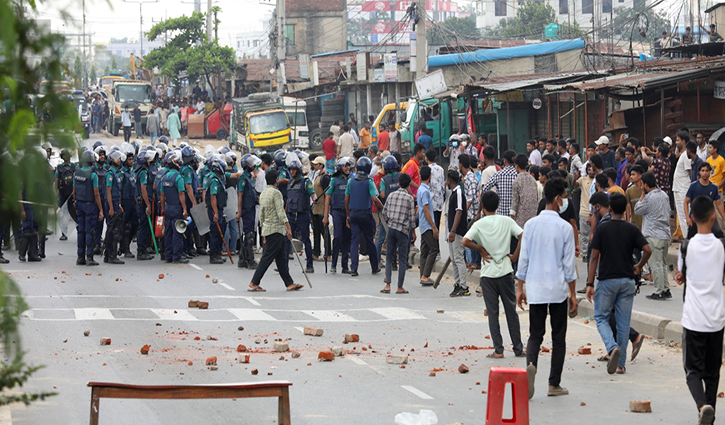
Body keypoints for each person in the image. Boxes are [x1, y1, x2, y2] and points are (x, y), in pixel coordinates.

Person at [516, 178, 577, 398]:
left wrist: (520, 287)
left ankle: (531, 363)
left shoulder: (530, 225)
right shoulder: (565, 227)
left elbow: (524, 259)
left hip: (536, 287)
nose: (566, 200)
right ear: (557, 198)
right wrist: (573, 294)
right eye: (564, 196)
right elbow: (569, 265)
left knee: (535, 334)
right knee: (558, 336)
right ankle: (554, 384)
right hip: (558, 288)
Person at [586, 193, 651, 375]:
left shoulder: (602, 229)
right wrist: (638, 266)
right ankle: (621, 365)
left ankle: (612, 347)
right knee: (623, 323)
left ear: (611, 208)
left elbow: (594, 256)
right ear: (624, 210)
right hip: (627, 280)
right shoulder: (631, 229)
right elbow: (647, 249)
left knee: (600, 317)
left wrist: (590, 283)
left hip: (607, 280)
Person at [675, 196, 725, 425]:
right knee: (712, 373)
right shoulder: (721, 247)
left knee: (693, 371)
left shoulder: (686, 246)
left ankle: (702, 405)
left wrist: (681, 276)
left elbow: (681, 274)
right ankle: (710, 413)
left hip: (694, 319)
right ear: (713, 216)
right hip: (717, 320)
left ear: (692, 218)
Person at [464, 190, 524, 358]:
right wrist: (515, 256)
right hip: (505, 270)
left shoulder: (479, 224)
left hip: (488, 274)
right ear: (498, 205)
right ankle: (518, 348)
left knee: (493, 312)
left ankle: (499, 349)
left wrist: (481, 249)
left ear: (482, 206)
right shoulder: (506, 221)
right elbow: (523, 236)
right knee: (511, 311)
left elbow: (465, 241)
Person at [248, 169, 304, 292]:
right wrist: (288, 228)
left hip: (268, 229)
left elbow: (261, 214)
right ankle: (254, 282)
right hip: (277, 229)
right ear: (276, 180)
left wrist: (263, 231)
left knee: (281, 258)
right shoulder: (276, 193)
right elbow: (281, 212)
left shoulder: (263, 193)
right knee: (267, 257)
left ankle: (289, 283)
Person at [633, 172, 672, 301]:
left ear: (645, 184)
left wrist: (642, 196)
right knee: (663, 263)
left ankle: (659, 290)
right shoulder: (664, 195)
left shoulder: (649, 198)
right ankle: (665, 288)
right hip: (665, 234)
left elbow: (637, 210)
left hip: (653, 234)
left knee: (655, 264)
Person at [345, 156, 382, 277]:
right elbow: (374, 198)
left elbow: (346, 199)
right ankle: (374, 266)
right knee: (369, 241)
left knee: (354, 241)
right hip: (365, 214)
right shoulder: (369, 182)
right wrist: (383, 208)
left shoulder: (351, 181)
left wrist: (348, 215)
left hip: (354, 213)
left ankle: (354, 268)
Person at [382, 173, 415, 294]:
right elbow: (411, 219)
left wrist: (389, 222)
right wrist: (412, 230)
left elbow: (384, 212)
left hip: (391, 228)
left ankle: (388, 285)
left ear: (399, 183)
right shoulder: (410, 198)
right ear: (408, 185)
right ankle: (400, 286)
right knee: (402, 258)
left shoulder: (391, 195)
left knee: (389, 257)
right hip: (403, 231)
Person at [73, 150, 103, 266]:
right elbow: (96, 194)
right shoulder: (93, 174)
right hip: (89, 205)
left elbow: (74, 191)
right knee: (89, 231)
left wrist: (76, 203)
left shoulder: (77, 173)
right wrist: (100, 209)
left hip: (79, 204)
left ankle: (80, 257)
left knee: (81, 231)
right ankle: (89, 257)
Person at [285, 159, 316, 273]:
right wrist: (285, 214)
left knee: (306, 240)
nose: (292, 171)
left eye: (294, 170)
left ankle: (309, 266)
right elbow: (288, 200)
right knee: (286, 240)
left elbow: (312, 193)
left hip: (302, 215)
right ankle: (284, 266)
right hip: (291, 216)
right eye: (291, 169)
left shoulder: (305, 182)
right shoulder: (290, 183)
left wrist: (314, 198)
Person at [160, 151, 189, 264]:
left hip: (168, 208)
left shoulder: (165, 177)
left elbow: (162, 196)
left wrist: (163, 208)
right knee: (177, 233)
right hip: (176, 208)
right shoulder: (178, 178)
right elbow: (181, 194)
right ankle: (177, 256)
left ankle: (168, 256)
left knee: (168, 233)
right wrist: (185, 209)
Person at [324, 158, 352, 274]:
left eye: (348, 166)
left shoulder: (352, 179)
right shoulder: (334, 181)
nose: (347, 168)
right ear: (340, 168)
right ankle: (334, 263)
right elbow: (328, 197)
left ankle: (345, 266)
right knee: (338, 237)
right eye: (345, 166)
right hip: (337, 212)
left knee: (347, 238)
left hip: (349, 213)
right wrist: (325, 216)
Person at [684, 162, 725, 239]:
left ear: (710, 172)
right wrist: (687, 217)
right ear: (699, 172)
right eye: (702, 171)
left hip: (708, 218)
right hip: (695, 218)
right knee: (690, 240)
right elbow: (686, 201)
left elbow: (718, 204)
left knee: (719, 235)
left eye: (707, 171)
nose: (705, 173)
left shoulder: (713, 187)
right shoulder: (693, 186)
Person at [446, 170, 469, 297]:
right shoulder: (454, 193)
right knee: (454, 259)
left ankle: (464, 286)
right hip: (452, 232)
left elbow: (459, 211)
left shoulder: (459, 192)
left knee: (459, 258)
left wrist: (454, 230)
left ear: (450, 180)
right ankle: (458, 283)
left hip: (458, 232)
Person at [236, 154, 259, 269]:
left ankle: (242, 259)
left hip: (252, 208)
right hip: (246, 210)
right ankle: (250, 260)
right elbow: (240, 195)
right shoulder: (243, 178)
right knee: (249, 236)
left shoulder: (250, 177)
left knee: (249, 234)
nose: (253, 166)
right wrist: (239, 212)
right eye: (251, 164)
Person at [417, 166, 438, 286]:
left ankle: (422, 275)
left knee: (424, 250)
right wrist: (434, 226)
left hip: (423, 224)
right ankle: (425, 275)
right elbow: (426, 210)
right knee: (434, 248)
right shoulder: (425, 191)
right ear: (429, 176)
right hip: (427, 224)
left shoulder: (421, 189)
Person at [104, 150, 126, 264]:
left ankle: (108, 254)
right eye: (117, 158)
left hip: (116, 203)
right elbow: (108, 192)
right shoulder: (110, 174)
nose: (119, 160)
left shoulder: (116, 173)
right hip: (111, 204)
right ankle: (111, 255)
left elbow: (118, 192)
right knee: (113, 230)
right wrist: (112, 208)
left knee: (114, 229)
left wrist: (119, 205)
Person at [377, 155, 400, 264]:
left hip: (387, 212)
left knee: (381, 237)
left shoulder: (383, 180)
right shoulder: (400, 176)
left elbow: (381, 195)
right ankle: (398, 260)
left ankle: (378, 260)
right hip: (399, 211)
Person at [482, 150, 518, 217]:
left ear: (505, 161)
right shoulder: (518, 175)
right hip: (514, 214)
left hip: (501, 214)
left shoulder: (498, 174)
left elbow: (485, 189)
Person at [134, 149, 155, 261]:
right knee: (143, 227)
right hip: (143, 203)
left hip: (140, 202)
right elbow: (143, 189)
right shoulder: (143, 172)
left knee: (144, 227)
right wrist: (148, 205)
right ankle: (141, 251)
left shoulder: (139, 171)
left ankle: (142, 250)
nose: (148, 161)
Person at [510, 153, 539, 229]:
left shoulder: (516, 181)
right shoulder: (533, 180)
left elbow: (515, 202)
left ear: (516, 166)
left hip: (521, 219)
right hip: (534, 217)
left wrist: (511, 219)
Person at [310, 157, 331, 262]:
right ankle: (316, 253)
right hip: (316, 208)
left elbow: (328, 194)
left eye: (316, 164)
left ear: (321, 165)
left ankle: (328, 254)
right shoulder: (317, 176)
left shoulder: (325, 177)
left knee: (325, 233)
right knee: (316, 232)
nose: (314, 166)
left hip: (322, 209)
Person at [119, 148, 138, 259]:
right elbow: (120, 189)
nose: (131, 161)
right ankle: (125, 249)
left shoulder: (132, 172)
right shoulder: (122, 173)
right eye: (129, 159)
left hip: (132, 201)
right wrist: (120, 204)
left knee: (135, 224)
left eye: (132, 159)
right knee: (125, 226)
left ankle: (124, 245)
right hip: (125, 201)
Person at [674, 131, 693, 238]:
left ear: (683, 141)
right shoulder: (683, 154)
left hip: (683, 189)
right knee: (681, 216)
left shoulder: (686, 155)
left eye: (678, 140)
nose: (676, 142)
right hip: (678, 188)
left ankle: (688, 238)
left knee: (684, 215)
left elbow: (690, 172)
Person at [576, 163, 595, 263]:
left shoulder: (598, 180)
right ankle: (584, 254)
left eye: (592, 169)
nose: (591, 171)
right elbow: (575, 184)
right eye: (589, 169)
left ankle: (592, 253)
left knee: (594, 234)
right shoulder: (583, 180)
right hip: (584, 211)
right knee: (584, 235)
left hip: (595, 212)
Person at [54, 149, 75, 241]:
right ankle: (64, 233)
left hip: (72, 193)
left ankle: (80, 232)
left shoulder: (74, 167)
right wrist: (56, 193)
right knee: (63, 213)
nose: (65, 157)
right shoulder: (59, 168)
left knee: (74, 212)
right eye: (64, 155)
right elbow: (56, 180)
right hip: (62, 193)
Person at [426, 149, 445, 232]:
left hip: (430, 203)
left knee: (431, 227)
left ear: (426, 158)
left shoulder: (426, 169)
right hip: (439, 202)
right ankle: (437, 244)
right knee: (437, 225)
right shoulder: (441, 169)